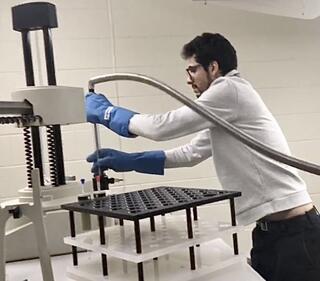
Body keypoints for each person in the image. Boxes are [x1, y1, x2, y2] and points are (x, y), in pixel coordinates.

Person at [85, 33, 320, 281]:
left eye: (193, 70)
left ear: (214, 67)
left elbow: (161, 127)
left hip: (296, 233)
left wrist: (107, 113)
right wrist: (132, 161)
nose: (188, 80)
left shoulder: (229, 90)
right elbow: (191, 153)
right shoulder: (226, 108)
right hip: (269, 232)